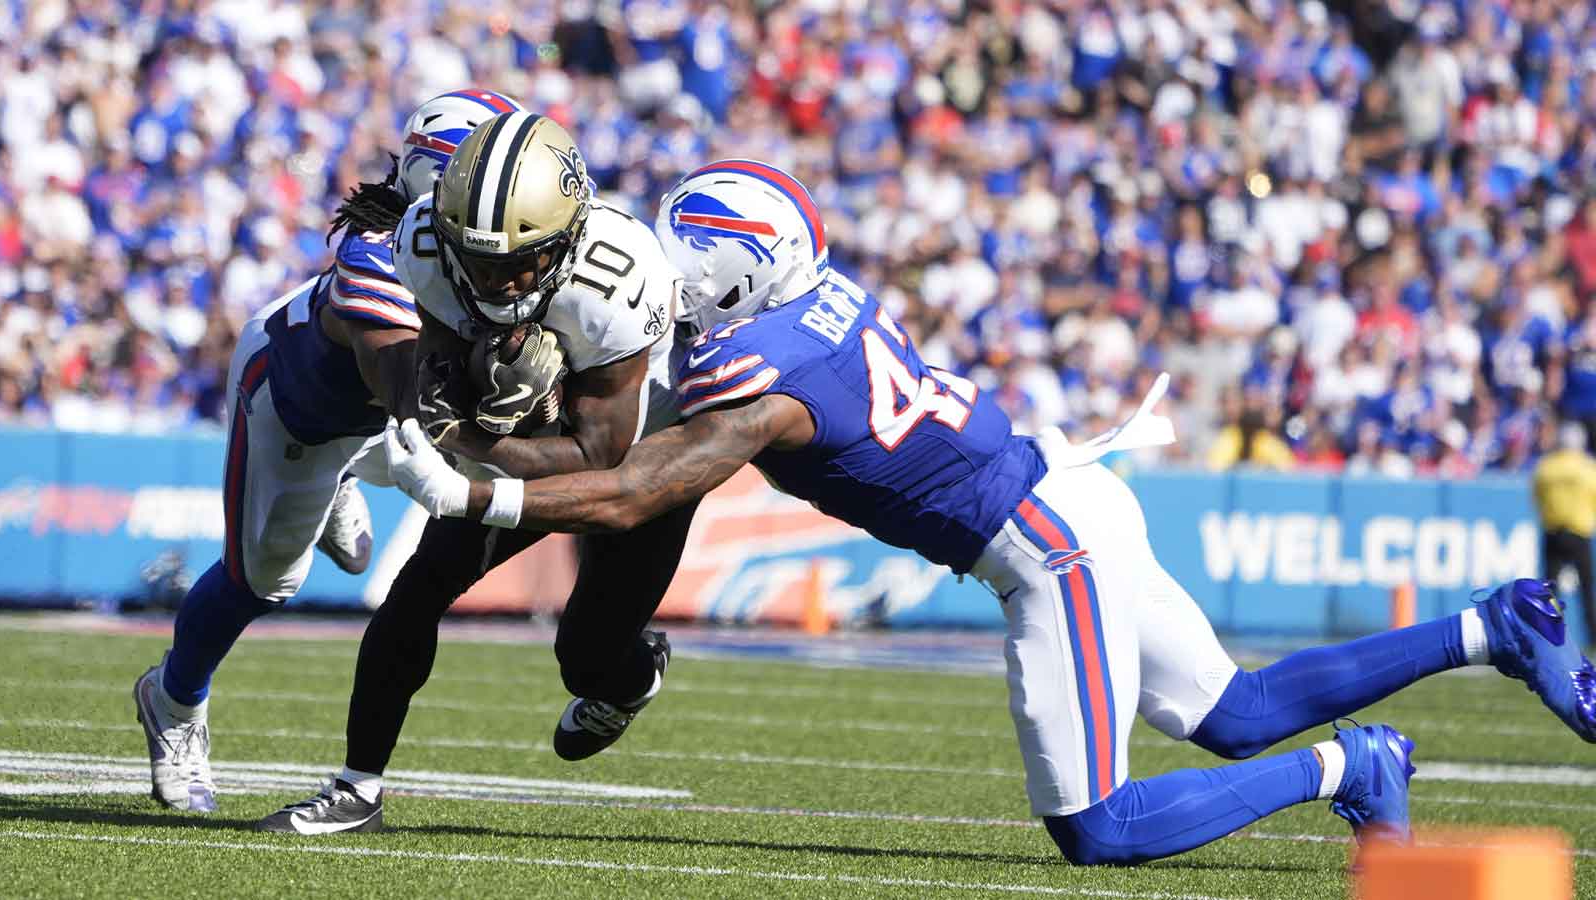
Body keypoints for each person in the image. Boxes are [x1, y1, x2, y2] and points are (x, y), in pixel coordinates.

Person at [383, 160, 1596, 863]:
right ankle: (1496, 627)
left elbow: (644, 484)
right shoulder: (807, 307)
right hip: (1068, 489)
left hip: (1044, 546)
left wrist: (471, 487)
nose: (668, 262)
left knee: (1097, 830)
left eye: (688, 249)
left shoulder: (758, 384)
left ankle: (1349, 766)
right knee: (1230, 713)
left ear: (738, 271)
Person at [261, 111, 693, 835]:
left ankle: (633, 675)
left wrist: (466, 436)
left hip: (645, 453)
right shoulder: (427, 241)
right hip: (527, 431)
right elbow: (437, 350)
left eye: (521, 261)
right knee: (416, 590)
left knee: (586, 661)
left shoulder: (616, 280)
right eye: (480, 260)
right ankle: (356, 787)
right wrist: (444, 397)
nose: (498, 279)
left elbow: (599, 458)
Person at [131, 89, 525, 813]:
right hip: (302, 409)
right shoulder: (379, 253)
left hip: (378, 417)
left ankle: (344, 476)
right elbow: (410, 394)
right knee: (266, 582)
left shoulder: (497, 243)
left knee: (386, 502)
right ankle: (174, 699)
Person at [1532, 422, 1596, 645]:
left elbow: (1537, 497)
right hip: (1579, 531)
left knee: (1549, 591)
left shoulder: (1546, 466)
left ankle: (1548, 634)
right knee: (1586, 590)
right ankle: (1593, 636)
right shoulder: (1588, 467)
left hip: (1553, 532)